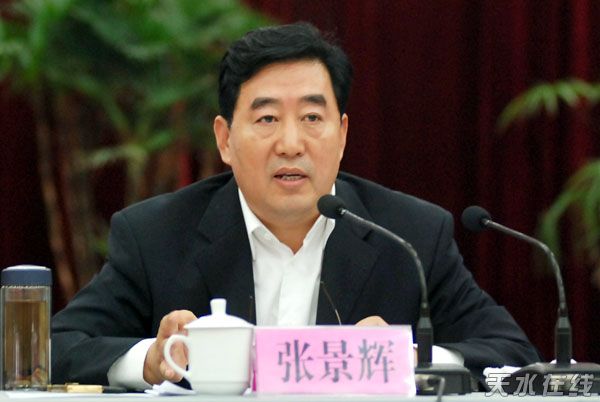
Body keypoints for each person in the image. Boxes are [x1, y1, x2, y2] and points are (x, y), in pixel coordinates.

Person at [51, 22, 540, 389]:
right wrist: (152, 360)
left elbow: (513, 355)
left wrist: (405, 356)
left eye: (311, 117)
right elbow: (57, 347)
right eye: (266, 119)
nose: (290, 144)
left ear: (342, 135)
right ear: (225, 139)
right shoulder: (157, 235)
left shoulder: (410, 236)